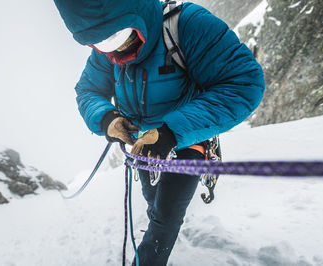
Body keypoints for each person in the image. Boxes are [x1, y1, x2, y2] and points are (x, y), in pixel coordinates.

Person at [53, 0, 265, 265]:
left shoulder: (186, 25)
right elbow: (88, 90)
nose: (115, 49)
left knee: (166, 215)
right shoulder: (106, 49)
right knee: (154, 201)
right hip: (144, 143)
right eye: (101, 44)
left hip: (187, 138)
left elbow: (243, 83)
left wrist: (172, 132)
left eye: (118, 36)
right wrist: (106, 118)